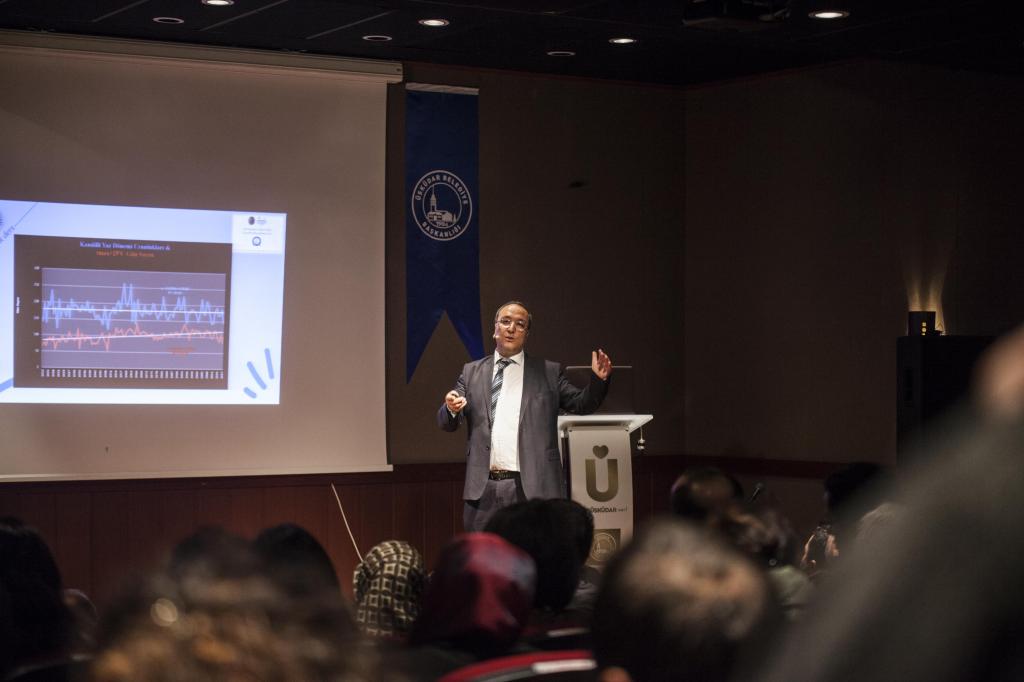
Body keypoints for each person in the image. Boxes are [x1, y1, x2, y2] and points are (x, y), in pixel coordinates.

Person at [438, 300, 612, 531]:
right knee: (484, 553)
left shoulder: (548, 372)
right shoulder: (471, 372)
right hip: (483, 490)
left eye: (520, 324)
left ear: (526, 334)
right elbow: (447, 422)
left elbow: (581, 404)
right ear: (495, 328)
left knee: (535, 550)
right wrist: (451, 407)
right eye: (506, 321)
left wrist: (598, 381)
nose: (511, 328)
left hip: (532, 488)